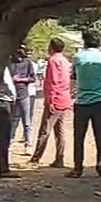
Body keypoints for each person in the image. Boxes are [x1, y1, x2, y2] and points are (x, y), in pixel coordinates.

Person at [70, 31, 101, 178]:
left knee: (79, 137)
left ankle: (78, 168)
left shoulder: (78, 57)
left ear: (84, 42)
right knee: (100, 136)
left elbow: (74, 75)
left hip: (82, 102)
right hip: (100, 100)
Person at [29, 37, 71, 168]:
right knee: (60, 131)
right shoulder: (65, 61)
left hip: (55, 99)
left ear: (51, 47)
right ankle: (60, 158)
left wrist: (51, 100)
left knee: (45, 130)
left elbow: (53, 82)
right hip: (64, 98)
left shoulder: (53, 61)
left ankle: (36, 157)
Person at [9, 45, 37, 153]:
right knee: (13, 120)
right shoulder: (10, 63)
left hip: (24, 94)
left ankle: (28, 144)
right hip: (13, 95)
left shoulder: (27, 63)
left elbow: (33, 78)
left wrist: (21, 79)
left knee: (27, 121)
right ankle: (10, 141)